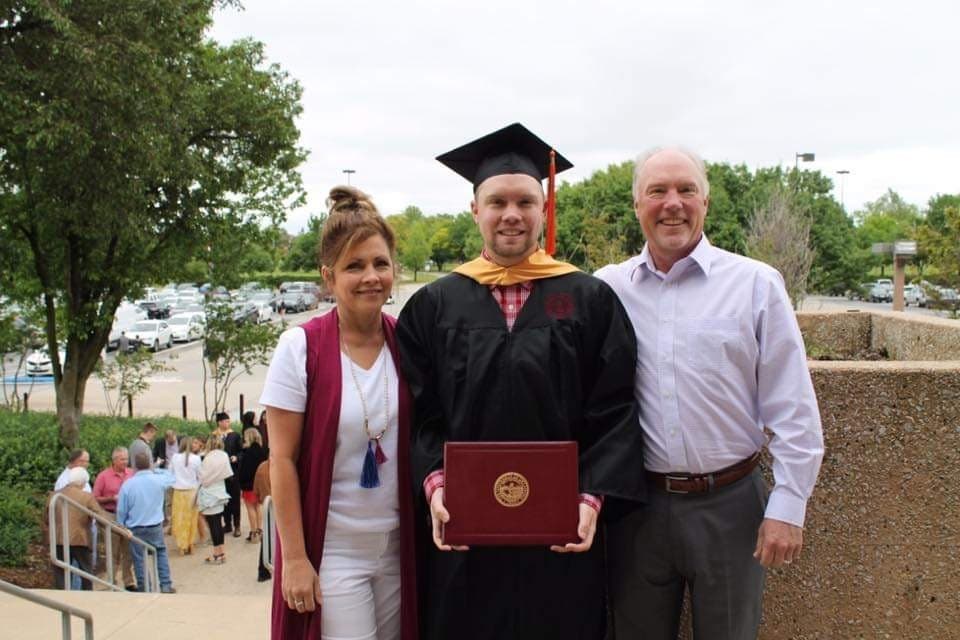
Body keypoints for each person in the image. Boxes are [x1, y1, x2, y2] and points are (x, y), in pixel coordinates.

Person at [396, 123, 645, 640]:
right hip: (465, 538)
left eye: (525, 202)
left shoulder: (589, 300)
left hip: (561, 538)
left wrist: (591, 498)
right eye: (497, 202)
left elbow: (615, 410)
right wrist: (436, 486)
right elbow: (421, 413)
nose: (512, 213)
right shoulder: (433, 307)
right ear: (475, 210)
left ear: (544, 209)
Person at [594, 146, 825, 640]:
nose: (672, 203)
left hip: (731, 506)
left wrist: (789, 505)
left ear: (706, 201)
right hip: (637, 509)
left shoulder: (755, 284)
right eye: (657, 191)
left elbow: (792, 405)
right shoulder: (607, 289)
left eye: (686, 190)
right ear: (637, 204)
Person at [261, 185, 417, 639]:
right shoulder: (301, 348)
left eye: (380, 263)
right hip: (334, 550)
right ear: (328, 277)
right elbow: (282, 460)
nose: (371, 277)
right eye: (354, 266)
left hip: (398, 547)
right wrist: (294, 558)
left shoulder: (407, 342)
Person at [116, 451, 176, 593]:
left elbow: (121, 509)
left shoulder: (128, 485)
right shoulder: (158, 480)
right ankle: (165, 584)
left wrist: (121, 525)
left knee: (139, 559)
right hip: (155, 525)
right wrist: (155, 469)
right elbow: (171, 476)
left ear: (134, 466)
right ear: (149, 464)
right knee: (160, 552)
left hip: (135, 526)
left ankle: (145, 588)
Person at [49, 467, 111, 590]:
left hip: (58, 539)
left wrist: (49, 537)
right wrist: (121, 529)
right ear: (83, 483)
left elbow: (47, 518)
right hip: (80, 539)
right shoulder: (86, 497)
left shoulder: (54, 495)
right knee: (86, 572)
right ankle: (86, 597)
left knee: (61, 573)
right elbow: (101, 516)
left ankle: (63, 598)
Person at [92, 446, 136, 590]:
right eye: (122, 459)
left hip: (128, 516)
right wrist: (111, 498)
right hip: (111, 514)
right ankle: (112, 581)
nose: (125, 462)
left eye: (126, 459)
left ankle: (128, 581)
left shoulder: (131, 473)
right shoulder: (103, 476)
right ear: (114, 460)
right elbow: (95, 497)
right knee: (113, 550)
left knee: (128, 550)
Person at [198, 434, 232, 565]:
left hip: (209, 493)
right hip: (220, 491)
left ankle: (218, 554)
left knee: (213, 525)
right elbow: (227, 473)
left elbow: (203, 478)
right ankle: (221, 552)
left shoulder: (208, 457)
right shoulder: (224, 455)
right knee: (218, 523)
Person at [170, 435, 202, 555]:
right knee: (192, 518)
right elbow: (201, 476)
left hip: (178, 491)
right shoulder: (196, 459)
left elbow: (170, 473)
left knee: (179, 519)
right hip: (192, 491)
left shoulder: (175, 457)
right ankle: (190, 543)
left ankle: (181, 546)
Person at [214, 412, 243, 537]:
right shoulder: (214, 436)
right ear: (219, 422)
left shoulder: (235, 435)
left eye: (228, 421)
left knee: (235, 499)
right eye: (225, 421)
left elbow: (242, 451)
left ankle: (237, 525)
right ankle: (227, 524)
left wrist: (237, 457)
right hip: (220, 473)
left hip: (233, 472)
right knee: (223, 499)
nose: (228, 423)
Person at [238, 427, 268, 542]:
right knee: (258, 507)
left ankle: (253, 533)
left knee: (250, 508)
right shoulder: (262, 450)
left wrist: (241, 482)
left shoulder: (248, 452)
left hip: (249, 484)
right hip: (260, 484)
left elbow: (245, 471)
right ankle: (260, 530)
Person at [253, 458, 272, 583]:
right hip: (283, 506)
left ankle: (263, 571)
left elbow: (256, 490)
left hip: (268, 506)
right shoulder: (289, 464)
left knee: (268, 538)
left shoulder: (262, 467)